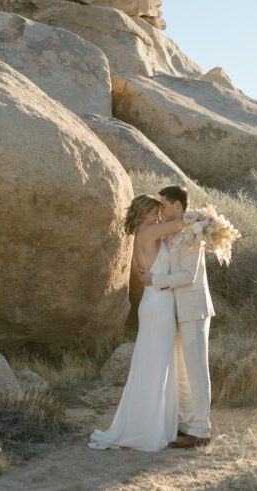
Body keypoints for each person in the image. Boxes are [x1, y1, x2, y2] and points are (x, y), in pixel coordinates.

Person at [87, 194, 186, 452]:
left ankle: (150, 425)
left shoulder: (140, 236)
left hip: (153, 301)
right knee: (156, 366)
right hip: (159, 304)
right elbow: (181, 223)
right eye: (156, 212)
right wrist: (205, 216)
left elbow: (147, 276)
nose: (159, 216)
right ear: (145, 214)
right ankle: (147, 431)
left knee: (151, 366)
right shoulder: (151, 231)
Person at [142, 185, 215, 448]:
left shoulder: (192, 235)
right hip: (176, 311)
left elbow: (188, 276)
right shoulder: (173, 232)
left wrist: (155, 280)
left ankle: (202, 431)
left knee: (196, 369)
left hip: (194, 309)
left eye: (163, 204)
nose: (160, 209)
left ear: (177, 206)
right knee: (183, 372)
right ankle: (188, 423)